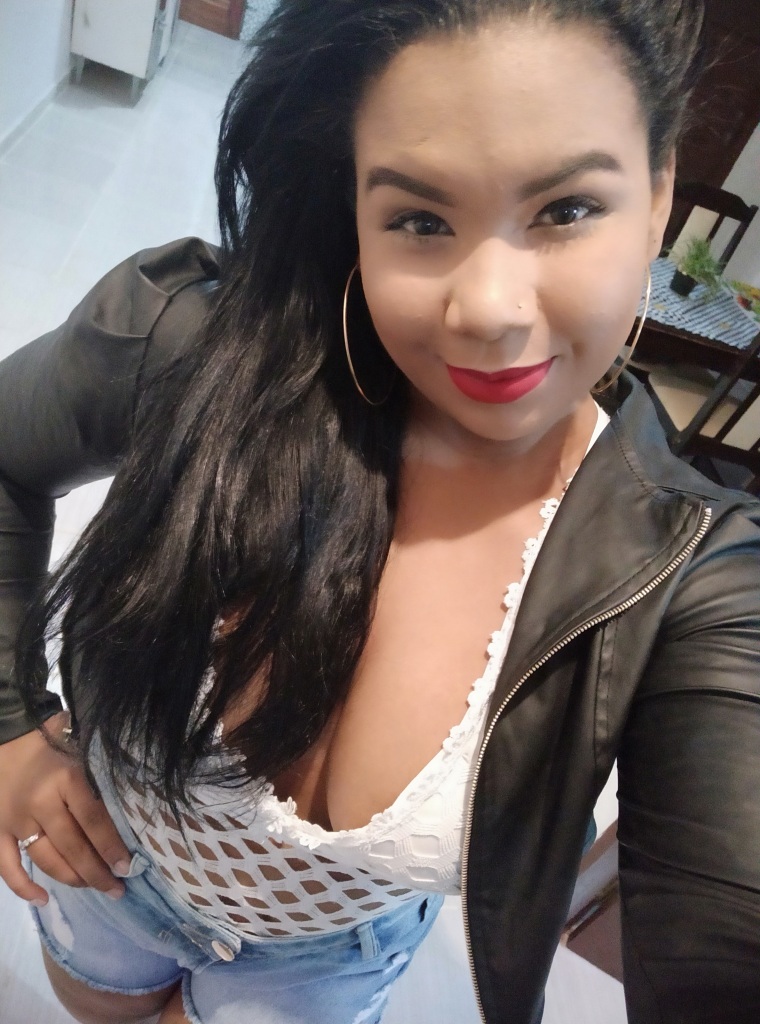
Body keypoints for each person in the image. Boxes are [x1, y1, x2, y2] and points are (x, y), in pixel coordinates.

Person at [0, 0, 758, 1022]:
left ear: (659, 193)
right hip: (105, 881)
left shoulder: (687, 585)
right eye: (421, 220)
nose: (488, 309)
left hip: (319, 967)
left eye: (567, 208)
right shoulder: (187, 346)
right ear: (354, 202)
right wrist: (10, 730)